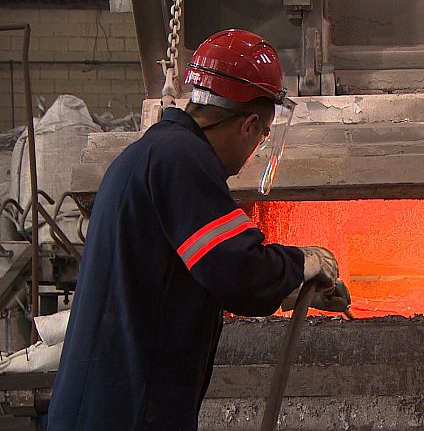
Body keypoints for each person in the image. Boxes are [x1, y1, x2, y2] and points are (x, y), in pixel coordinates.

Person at [47, 29, 350, 430]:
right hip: (127, 410)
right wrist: (303, 262)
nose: (257, 146)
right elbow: (238, 271)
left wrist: (287, 290)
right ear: (249, 125)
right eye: (262, 135)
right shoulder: (182, 159)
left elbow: (193, 273)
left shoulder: (156, 152)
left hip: (107, 405)